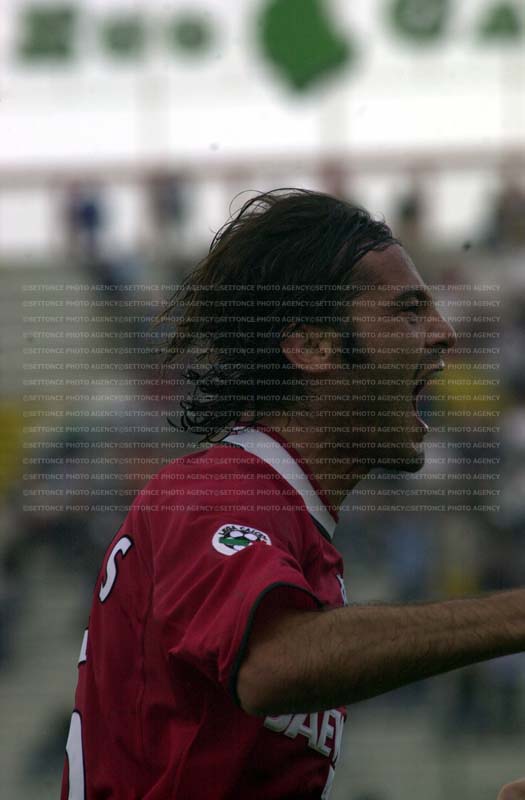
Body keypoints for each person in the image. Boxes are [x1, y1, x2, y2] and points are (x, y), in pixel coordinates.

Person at [61, 189, 524, 800]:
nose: (444, 335)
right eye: (409, 311)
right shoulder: (217, 490)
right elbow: (271, 666)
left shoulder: (292, 533)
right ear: (310, 346)